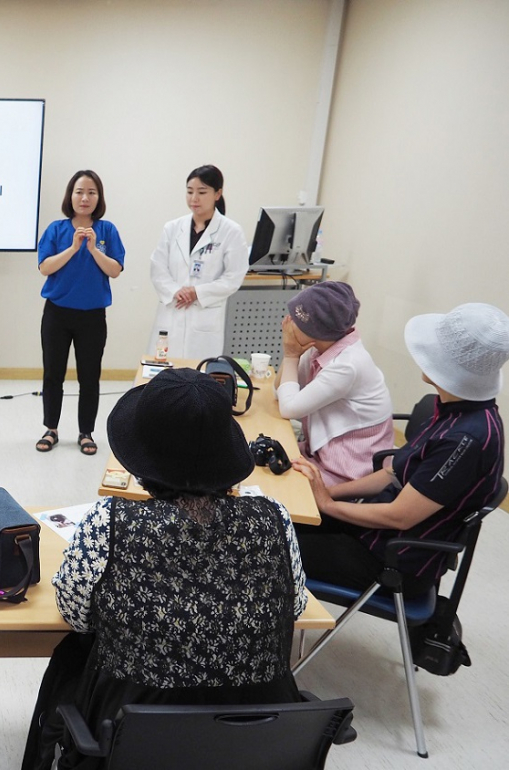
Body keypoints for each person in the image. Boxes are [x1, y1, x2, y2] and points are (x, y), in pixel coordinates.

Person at [25, 368, 307, 769]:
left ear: (140, 461)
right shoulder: (273, 518)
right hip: (251, 740)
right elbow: (293, 610)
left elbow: (77, 615)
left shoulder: (110, 522)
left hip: (132, 736)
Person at [294, 303, 507, 598]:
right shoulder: (451, 409)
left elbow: (400, 517)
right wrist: (325, 494)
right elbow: (391, 474)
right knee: (279, 516)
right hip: (371, 529)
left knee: (265, 545)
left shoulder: (466, 439)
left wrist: (328, 506)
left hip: (391, 560)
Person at [35, 169, 126, 456]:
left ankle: (86, 432)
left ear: (98, 197)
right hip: (57, 314)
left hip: (92, 316)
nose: (85, 198)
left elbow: (115, 270)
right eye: (79, 192)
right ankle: (51, 428)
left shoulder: (107, 230)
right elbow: (44, 267)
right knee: (53, 374)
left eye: (91, 192)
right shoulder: (56, 229)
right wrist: (74, 248)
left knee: (90, 376)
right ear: (70, 196)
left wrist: (92, 248)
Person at [276, 281, 394, 485]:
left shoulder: (347, 365)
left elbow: (288, 408)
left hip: (348, 471)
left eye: (295, 319)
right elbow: (279, 391)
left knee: (278, 486)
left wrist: (291, 355)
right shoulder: (321, 346)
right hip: (321, 453)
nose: (286, 324)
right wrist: (293, 355)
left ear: (315, 329)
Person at [148, 165, 249, 360]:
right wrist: (176, 291)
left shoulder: (231, 231)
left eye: (202, 192)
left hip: (204, 316)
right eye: (189, 191)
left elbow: (233, 278)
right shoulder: (172, 228)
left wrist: (197, 292)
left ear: (217, 194)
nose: (194, 198)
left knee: (199, 377)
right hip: (172, 310)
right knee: (164, 374)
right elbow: (157, 268)